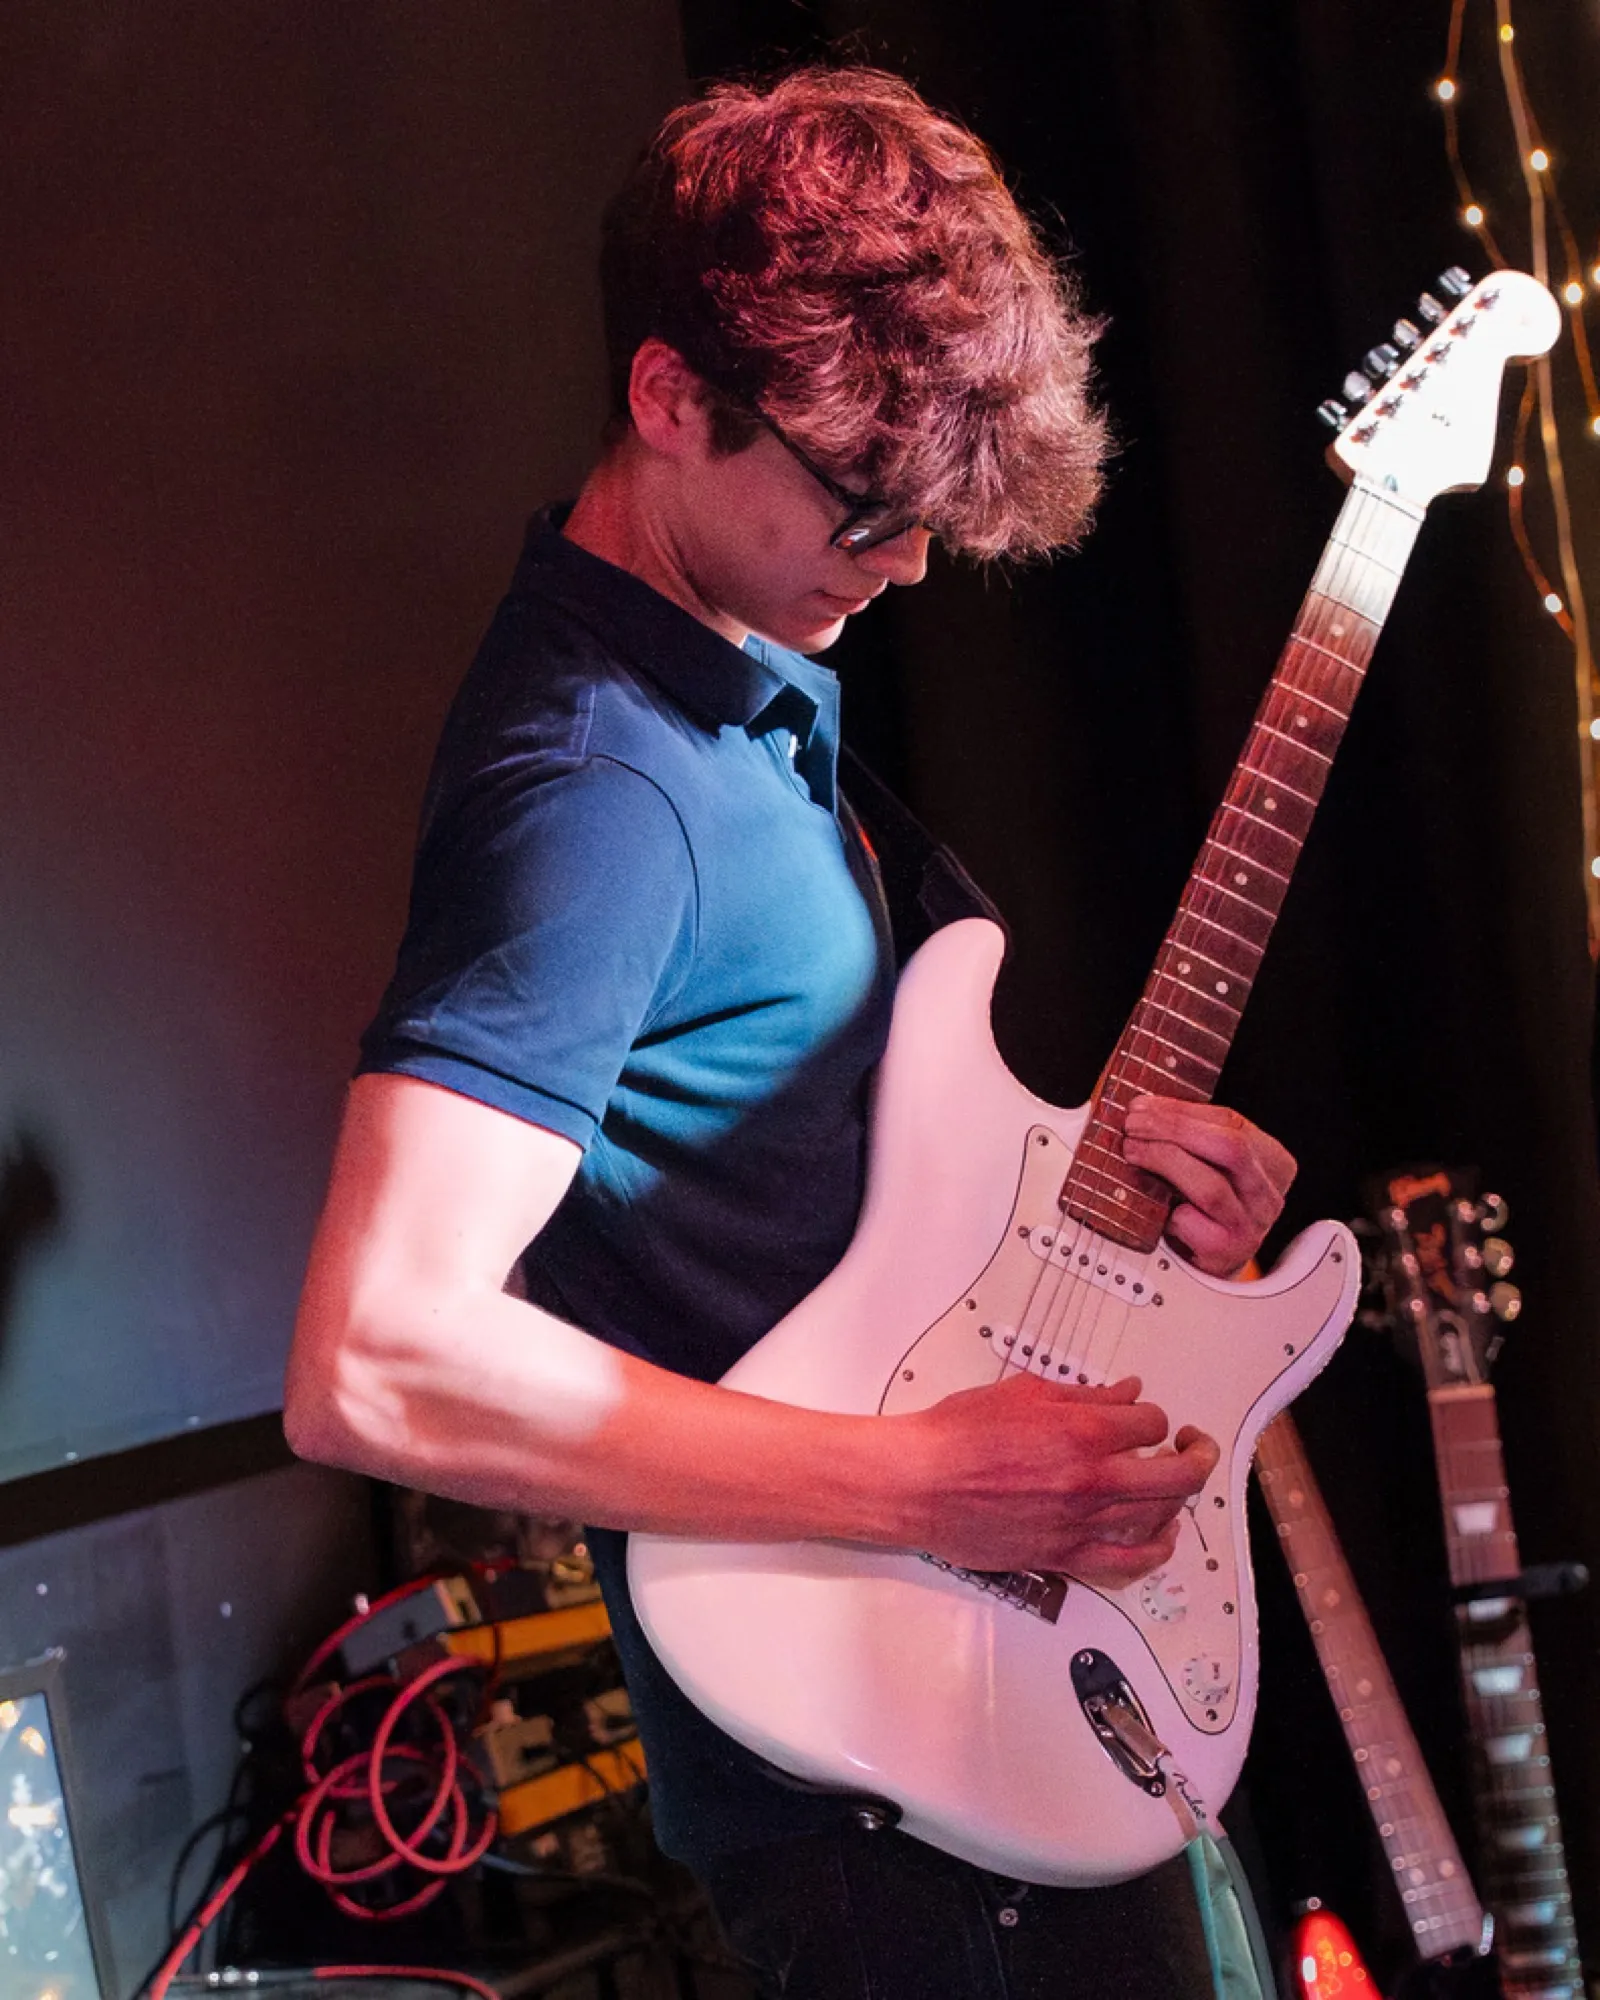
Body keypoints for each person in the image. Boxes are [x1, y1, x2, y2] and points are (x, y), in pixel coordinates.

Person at [285, 65, 1295, 1998]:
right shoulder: (589, 792)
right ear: (671, 398)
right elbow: (374, 1364)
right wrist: (939, 1489)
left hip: (978, 1708)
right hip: (873, 1800)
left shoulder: (744, 676)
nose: (905, 569)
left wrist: (1120, 1220)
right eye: (864, 507)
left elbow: (820, 1215)